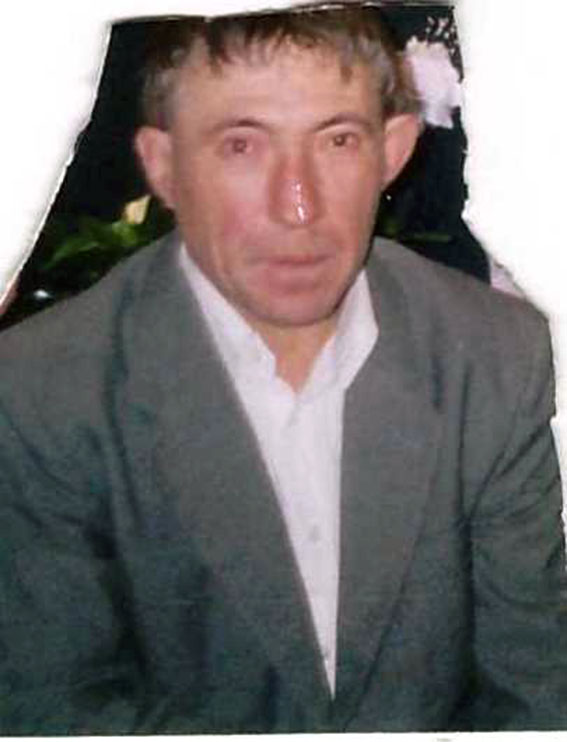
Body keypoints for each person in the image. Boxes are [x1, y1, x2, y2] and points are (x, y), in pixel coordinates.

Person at [0, 3, 566, 734]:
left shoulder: (491, 354)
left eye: (337, 140)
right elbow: (53, 707)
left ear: (393, 151)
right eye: (242, 145)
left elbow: (536, 688)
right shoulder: (44, 389)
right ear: (164, 167)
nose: (298, 207)